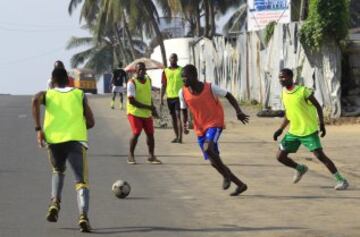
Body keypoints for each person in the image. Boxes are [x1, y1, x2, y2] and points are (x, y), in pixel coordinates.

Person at [32, 68, 95, 232]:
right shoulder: (79, 94)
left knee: (58, 171)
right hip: (75, 140)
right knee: (81, 181)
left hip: (54, 142)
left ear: (53, 80)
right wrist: (80, 126)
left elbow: (34, 100)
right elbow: (91, 121)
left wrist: (38, 129)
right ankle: (83, 216)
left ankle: (55, 203)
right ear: (68, 79)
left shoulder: (48, 94)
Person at [273, 68, 349, 190]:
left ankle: (341, 180)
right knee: (280, 157)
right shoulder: (284, 93)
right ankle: (300, 168)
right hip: (293, 131)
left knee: (320, 156)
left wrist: (322, 124)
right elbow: (289, 113)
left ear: (291, 77)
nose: (281, 80)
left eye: (284, 77)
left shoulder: (303, 91)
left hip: (308, 131)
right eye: (280, 77)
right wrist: (280, 129)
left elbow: (318, 107)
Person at [179, 64, 249, 196]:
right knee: (214, 162)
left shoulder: (210, 87)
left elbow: (229, 95)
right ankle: (240, 185)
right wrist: (185, 123)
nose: (184, 80)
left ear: (194, 76)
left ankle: (226, 177)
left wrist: (238, 111)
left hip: (215, 122)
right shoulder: (182, 92)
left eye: (185, 77)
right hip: (200, 128)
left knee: (208, 148)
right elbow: (184, 109)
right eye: (182, 78)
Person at [126, 62, 161, 165]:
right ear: (136, 71)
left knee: (150, 134)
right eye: (139, 69)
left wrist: (152, 108)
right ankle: (130, 155)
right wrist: (148, 107)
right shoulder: (131, 82)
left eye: (143, 69)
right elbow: (132, 101)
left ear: (145, 70)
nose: (141, 71)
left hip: (146, 112)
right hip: (134, 112)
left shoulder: (148, 80)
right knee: (136, 132)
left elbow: (148, 95)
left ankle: (151, 156)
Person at [160, 53, 184, 143]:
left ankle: (180, 138)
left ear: (177, 59)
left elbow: (186, 83)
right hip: (169, 97)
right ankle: (176, 136)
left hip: (179, 96)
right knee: (172, 117)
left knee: (178, 116)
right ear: (169, 60)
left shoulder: (181, 70)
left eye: (175, 58)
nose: (173, 60)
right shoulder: (165, 71)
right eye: (171, 58)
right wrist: (161, 97)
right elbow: (163, 85)